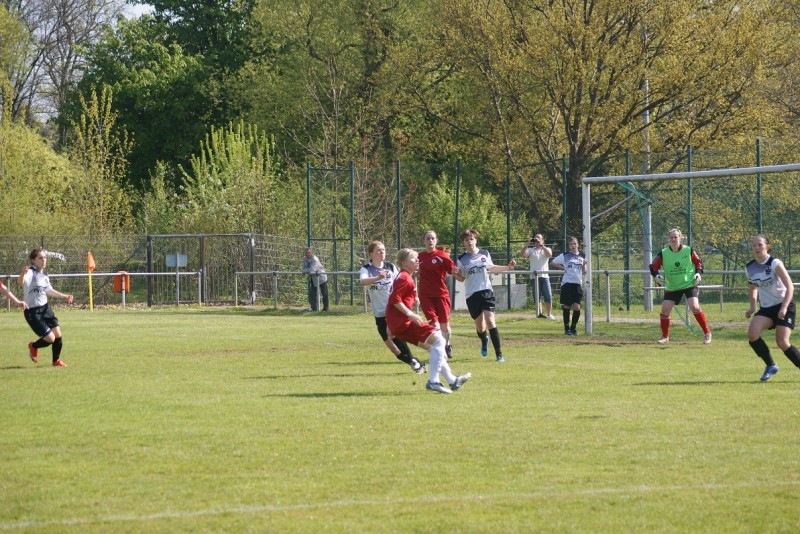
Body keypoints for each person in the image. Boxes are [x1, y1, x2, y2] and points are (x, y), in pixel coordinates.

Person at [386, 248, 471, 394]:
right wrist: (411, 314)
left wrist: (412, 300)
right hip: (404, 323)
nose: (417, 260)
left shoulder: (405, 276)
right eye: (414, 259)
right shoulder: (404, 277)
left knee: (434, 348)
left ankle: (452, 380)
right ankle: (433, 381)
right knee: (440, 341)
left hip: (399, 324)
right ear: (405, 263)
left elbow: (398, 298)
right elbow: (394, 299)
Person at [359, 240, 426, 374]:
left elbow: (403, 282)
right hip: (379, 313)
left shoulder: (390, 267)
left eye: (383, 250)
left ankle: (427, 354)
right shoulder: (366, 269)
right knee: (392, 347)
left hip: (393, 310)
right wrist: (377, 278)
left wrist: (414, 296)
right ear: (371, 254)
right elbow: (363, 281)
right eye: (378, 250)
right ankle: (414, 361)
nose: (382, 252)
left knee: (394, 335)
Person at [453, 228, 516, 362]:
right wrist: (455, 274)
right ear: (463, 243)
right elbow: (461, 278)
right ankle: (484, 339)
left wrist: (507, 267)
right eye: (466, 240)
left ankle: (499, 354)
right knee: (481, 327)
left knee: (490, 320)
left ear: (475, 240)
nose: (469, 241)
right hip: (471, 294)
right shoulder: (462, 259)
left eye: (471, 239)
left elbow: (491, 267)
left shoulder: (484, 253)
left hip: (486, 291)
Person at [744, 234, 800, 381]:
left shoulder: (774, 263)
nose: (757, 248)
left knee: (782, 342)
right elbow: (752, 288)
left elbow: (790, 287)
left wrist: (784, 307)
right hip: (767, 309)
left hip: (784, 304)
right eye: (754, 245)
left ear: (767, 246)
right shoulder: (749, 267)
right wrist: (752, 307)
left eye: (760, 245)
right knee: (752, 334)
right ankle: (771, 365)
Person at [648, 228, 712, 344]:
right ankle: (665, 337)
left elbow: (698, 262)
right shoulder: (663, 253)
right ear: (668, 239)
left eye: (676, 237)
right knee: (664, 310)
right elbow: (653, 266)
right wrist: (656, 276)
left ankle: (707, 333)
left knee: (694, 306)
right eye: (671, 237)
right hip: (673, 286)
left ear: (680, 238)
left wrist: (698, 273)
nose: (673, 239)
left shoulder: (688, 250)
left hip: (689, 284)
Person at [18, 248, 74, 367]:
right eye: (40, 258)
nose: (43, 260)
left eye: (44, 257)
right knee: (50, 338)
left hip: (45, 308)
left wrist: (65, 296)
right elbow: (20, 281)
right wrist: (22, 274)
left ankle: (56, 361)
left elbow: (48, 290)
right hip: (32, 312)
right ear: (33, 260)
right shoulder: (30, 272)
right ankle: (33, 346)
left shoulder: (44, 273)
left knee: (57, 335)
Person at [417, 230, 458, 359]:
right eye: (428, 238)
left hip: (441, 294)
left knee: (444, 326)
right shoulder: (419, 257)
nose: (430, 241)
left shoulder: (442, 255)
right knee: (434, 324)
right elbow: (412, 271)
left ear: (436, 240)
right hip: (425, 295)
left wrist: (455, 271)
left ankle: (447, 344)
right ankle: (441, 350)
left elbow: (452, 269)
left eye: (432, 238)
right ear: (423, 241)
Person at [551, 236, 587, 336]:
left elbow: (584, 272)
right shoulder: (565, 255)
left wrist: (584, 264)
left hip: (577, 284)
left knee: (576, 307)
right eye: (571, 244)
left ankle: (573, 328)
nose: (573, 246)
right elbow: (553, 262)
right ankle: (567, 329)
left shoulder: (582, 256)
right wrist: (563, 268)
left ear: (578, 244)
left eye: (574, 243)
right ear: (569, 246)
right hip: (567, 283)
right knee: (566, 305)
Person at [520, 232, 555, 319]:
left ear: (543, 240)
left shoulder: (546, 249)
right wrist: (527, 243)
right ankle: (539, 314)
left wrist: (541, 245)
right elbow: (522, 254)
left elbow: (549, 255)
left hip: (545, 276)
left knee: (548, 296)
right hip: (534, 277)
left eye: (539, 238)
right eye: (536, 238)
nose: (537, 240)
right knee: (537, 297)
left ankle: (549, 314)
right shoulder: (531, 250)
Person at [301, 247, 328, 312]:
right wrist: (306, 270)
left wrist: (306, 271)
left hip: (321, 277)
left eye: (309, 253)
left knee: (324, 293)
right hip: (313, 278)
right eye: (306, 253)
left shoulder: (315, 259)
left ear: (312, 253)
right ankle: (314, 308)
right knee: (312, 293)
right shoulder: (305, 259)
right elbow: (304, 269)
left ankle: (325, 309)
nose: (307, 254)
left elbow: (312, 270)